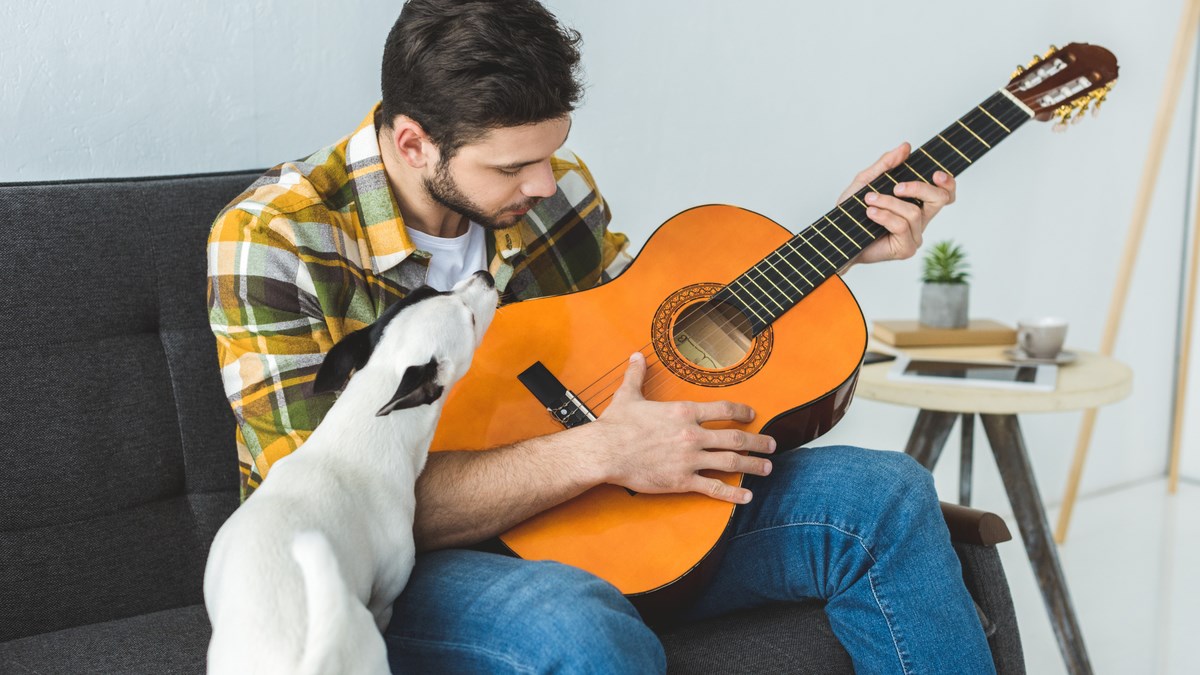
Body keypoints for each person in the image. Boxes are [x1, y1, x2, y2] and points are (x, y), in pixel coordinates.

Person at [207, 0, 991, 672]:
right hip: (390, 570)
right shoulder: (273, 242)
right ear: (413, 144)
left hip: (598, 512)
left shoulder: (554, 192)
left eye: (551, 151)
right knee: (577, 627)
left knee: (887, 496)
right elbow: (327, 508)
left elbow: (658, 342)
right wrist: (603, 452)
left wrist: (834, 248)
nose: (546, 183)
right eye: (514, 166)